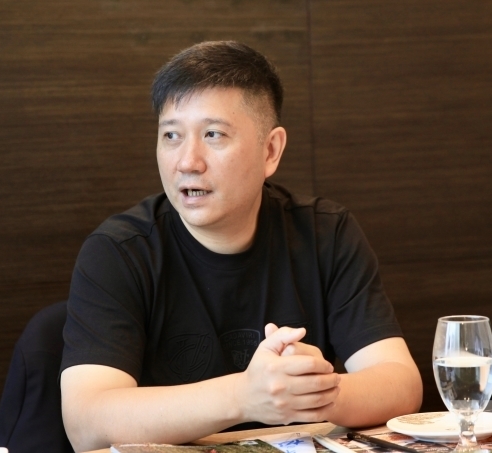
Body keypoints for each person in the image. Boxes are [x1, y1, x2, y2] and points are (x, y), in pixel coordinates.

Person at [60, 41, 422, 452]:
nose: (187, 162)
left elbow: (400, 384)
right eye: (171, 135)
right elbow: (86, 422)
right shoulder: (119, 251)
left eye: (213, 134)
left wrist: (307, 390)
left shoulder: (326, 233)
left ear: (270, 150)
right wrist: (244, 396)